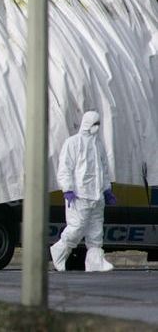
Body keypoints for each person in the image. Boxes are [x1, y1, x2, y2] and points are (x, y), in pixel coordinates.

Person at [50, 110, 116, 272]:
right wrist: (68, 189)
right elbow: (65, 168)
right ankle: (59, 251)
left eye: (98, 124)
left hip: (97, 196)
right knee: (77, 227)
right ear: (87, 124)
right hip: (79, 196)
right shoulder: (73, 143)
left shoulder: (98, 145)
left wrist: (107, 190)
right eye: (95, 124)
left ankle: (95, 262)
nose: (97, 127)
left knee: (96, 230)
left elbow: (103, 170)